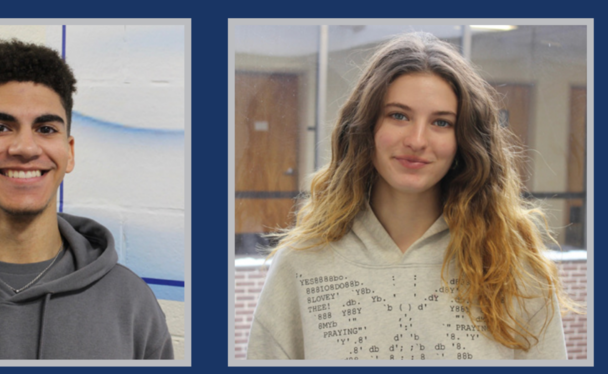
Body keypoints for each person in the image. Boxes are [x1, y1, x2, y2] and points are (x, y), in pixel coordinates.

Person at [246, 32, 578, 360]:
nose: (418, 140)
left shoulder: (515, 269)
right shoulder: (301, 263)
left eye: (441, 123)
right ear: (365, 127)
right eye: (399, 116)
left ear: (464, 141)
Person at [0, 40, 173, 359]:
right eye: (0, 127)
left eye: (45, 129)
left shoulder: (130, 301)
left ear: (69, 152)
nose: (27, 148)